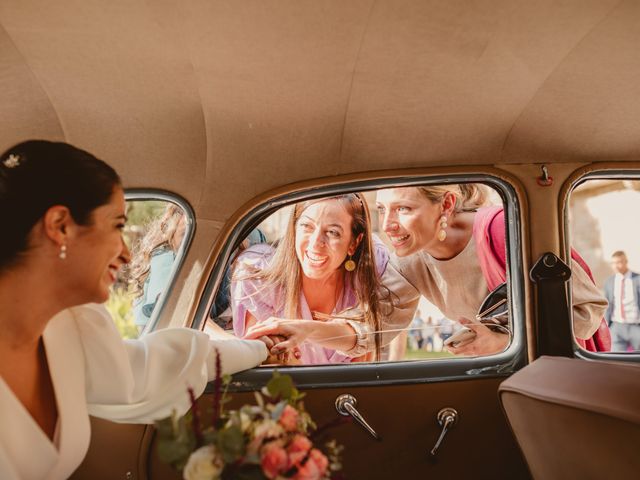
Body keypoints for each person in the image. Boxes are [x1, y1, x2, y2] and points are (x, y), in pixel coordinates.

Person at [0, 140, 267, 480]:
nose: (127, 254)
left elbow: (154, 368)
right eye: (116, 226)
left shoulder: (71, 327)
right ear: (60, 225)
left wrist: (260, 347)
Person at [375, 184, 609, 356]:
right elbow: (369, 331)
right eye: (380, 210)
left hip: (550, 379)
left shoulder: (504, 230)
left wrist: (503, 341)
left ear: (446, 204)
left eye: (403, 208)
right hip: (500, 375)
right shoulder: (409, 260)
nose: (387, 225)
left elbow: (587, 313)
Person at [233, 194, 389, 364]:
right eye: (307, 226)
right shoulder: (259, 276)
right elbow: (264, 363)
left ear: (353, 243)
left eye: (333, 232)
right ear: (294, 228)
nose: (315, 243)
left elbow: (361, 364)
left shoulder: (368, 272)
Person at [129, 203, 187, 330]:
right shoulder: (165, 259)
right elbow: (170, 312)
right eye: (185, 234)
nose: (192, 240)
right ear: (171, 233)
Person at [603, 250, 640, 351]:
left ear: (626, 262)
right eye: (613, 263)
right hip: (616, 327)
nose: (616, 266)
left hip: (636, 326)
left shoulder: (638, 279)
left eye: (619, 262)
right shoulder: (609, 282)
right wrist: (608, 326)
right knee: (617, 360)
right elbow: (607, 305)